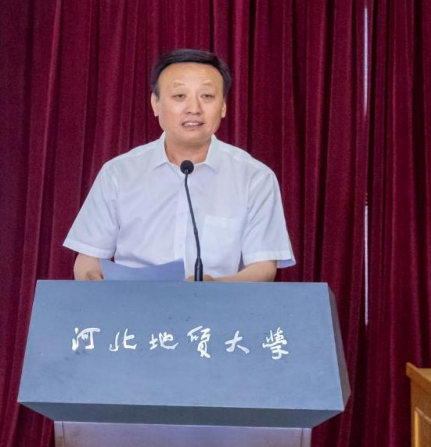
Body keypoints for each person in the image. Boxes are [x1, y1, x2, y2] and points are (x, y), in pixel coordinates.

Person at [64, 49, 295, 282]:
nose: (194, 108)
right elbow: (88, 258)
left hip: (217, 303)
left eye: (207, 96)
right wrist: (94, 283)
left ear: (223, 106)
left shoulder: (255, 177)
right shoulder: (118, 173)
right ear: (155, 104)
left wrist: (215, 287)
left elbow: (263, 268)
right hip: (132, 302)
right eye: (179, 96)